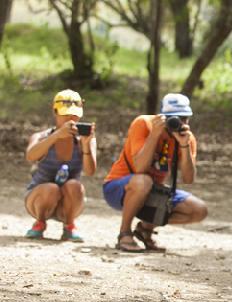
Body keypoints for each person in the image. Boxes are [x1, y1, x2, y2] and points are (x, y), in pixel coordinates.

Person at [103, 93, 208, 252]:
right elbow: (140, 169)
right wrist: (154, 135)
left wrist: (184, 146)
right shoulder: (144, 124)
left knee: (199, 210)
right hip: (118, 188)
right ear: (161, 117)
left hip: (151, 192)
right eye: (174, 118)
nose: (179, 122)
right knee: (143, 181)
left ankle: (145, 230)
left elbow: (188, 178)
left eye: (184, 118)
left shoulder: (186, 138)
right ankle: (124, 234)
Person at [24, 89, 97, 242]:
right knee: (51, 188)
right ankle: (39, 223)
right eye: (66, 114)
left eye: (74, 114)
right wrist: (56, 136)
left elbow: (90, 171)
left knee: (75, 185)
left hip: (69, 202)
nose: (70, 118)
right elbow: (31, 156)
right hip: (40, 199)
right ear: (55, 111)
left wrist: (85, 146)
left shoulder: (86, 140)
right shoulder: (41, 137)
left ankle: (69, 226)